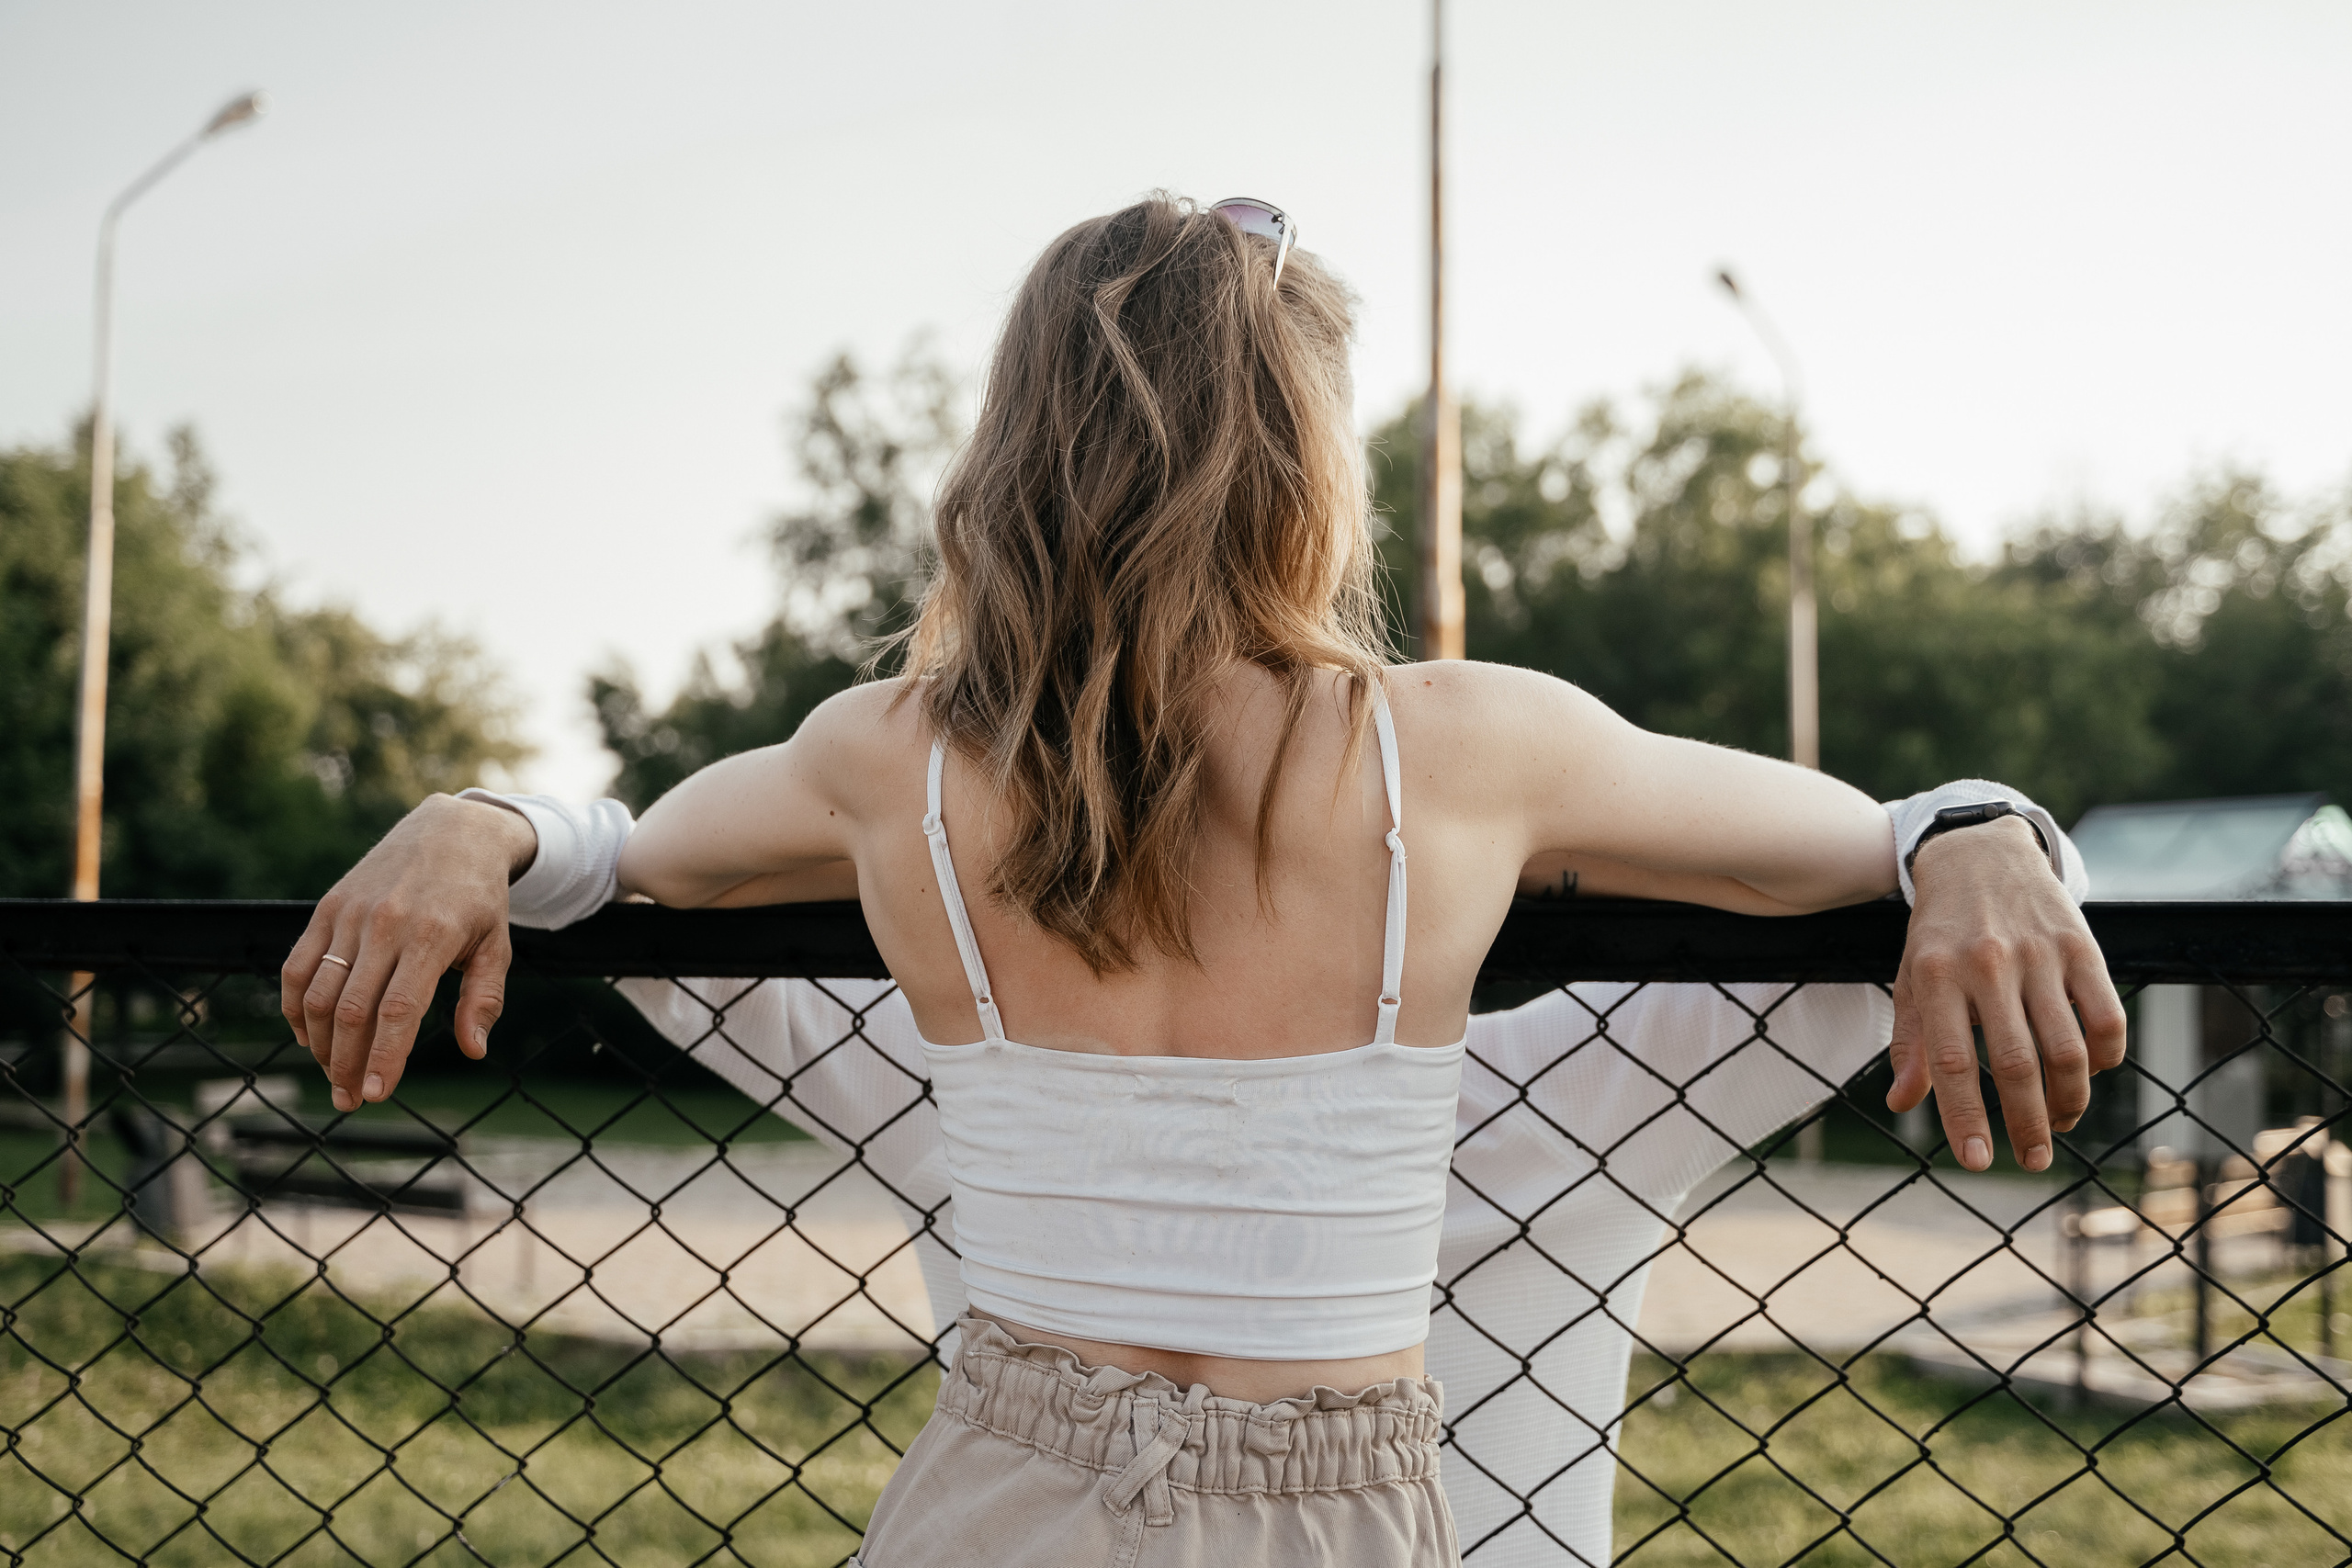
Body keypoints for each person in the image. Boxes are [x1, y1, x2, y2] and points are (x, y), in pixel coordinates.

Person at [282, 194, 2122, 1568]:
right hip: (1325, 1499)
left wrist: (472, 817)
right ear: (1307, 456)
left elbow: (623, 857)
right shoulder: (1465, 745)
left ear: (1011, 442)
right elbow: (1877, 830)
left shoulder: (892, 757)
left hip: (997, 1476)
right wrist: (1978, 832)